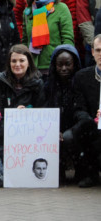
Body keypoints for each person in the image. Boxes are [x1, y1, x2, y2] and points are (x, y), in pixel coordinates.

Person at [22, 0, 74, 74]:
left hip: (55, 66)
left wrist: (63, 64)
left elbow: (68, 39)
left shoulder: (61, 8)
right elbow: (25, 41)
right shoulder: (28, 11)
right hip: (32, 67)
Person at [44, 44, 82, 183]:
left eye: (68, 64)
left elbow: (82, 111)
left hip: (76, 128)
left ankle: (82, 171)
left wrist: (71, 129)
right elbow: (45, 111)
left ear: (75, 64)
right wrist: (54, 130)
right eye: (60, 65)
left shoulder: (80, 84)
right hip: (53, 129)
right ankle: (57, 172)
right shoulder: (48, 86)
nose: (64, 68)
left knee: (72, 137)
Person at [72, 34, 101, 187]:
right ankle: (91, 174)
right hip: (92, 124)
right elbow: (78, 107)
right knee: (81, 129)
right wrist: (91, 119)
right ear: (92, 52)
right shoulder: (82, 77)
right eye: (98, 50)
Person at [0, 44, 46, 115]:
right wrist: (14, 113)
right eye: (14, 61)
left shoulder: (38, 83)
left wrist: (27, 113)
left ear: (28, 63)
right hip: (4, 125)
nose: (17, 64)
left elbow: (41, 112)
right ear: (9, 63)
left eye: (22, 61)